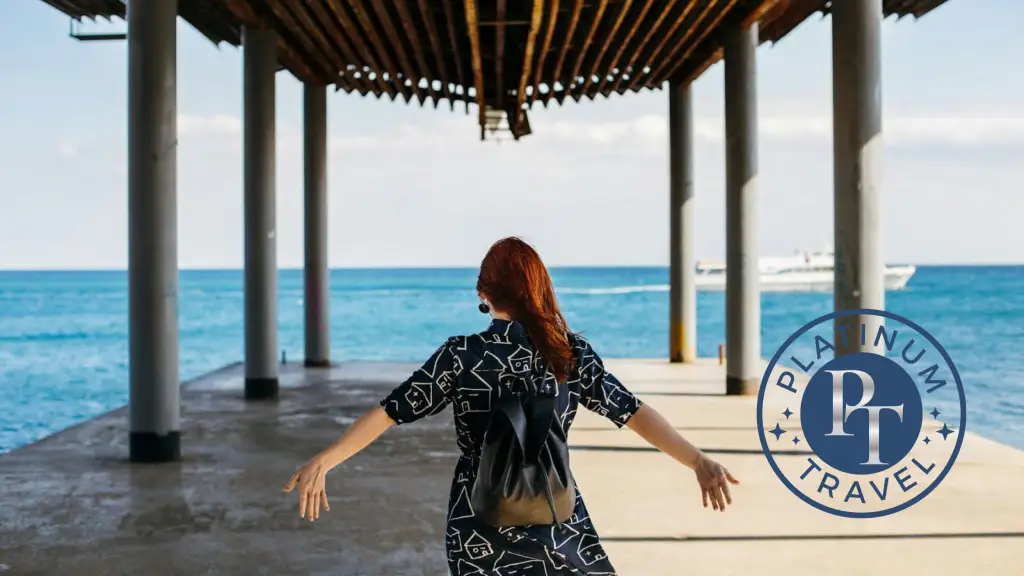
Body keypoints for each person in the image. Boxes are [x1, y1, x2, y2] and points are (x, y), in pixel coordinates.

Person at [284, 237, 739, 575]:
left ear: (485, 293)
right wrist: (697, 460)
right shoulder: (569, 353)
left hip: (476, 518)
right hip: (555, 512)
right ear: (539, 289)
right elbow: (633, 413)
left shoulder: (461, 355)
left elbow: (390, 411)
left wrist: (327, 459)